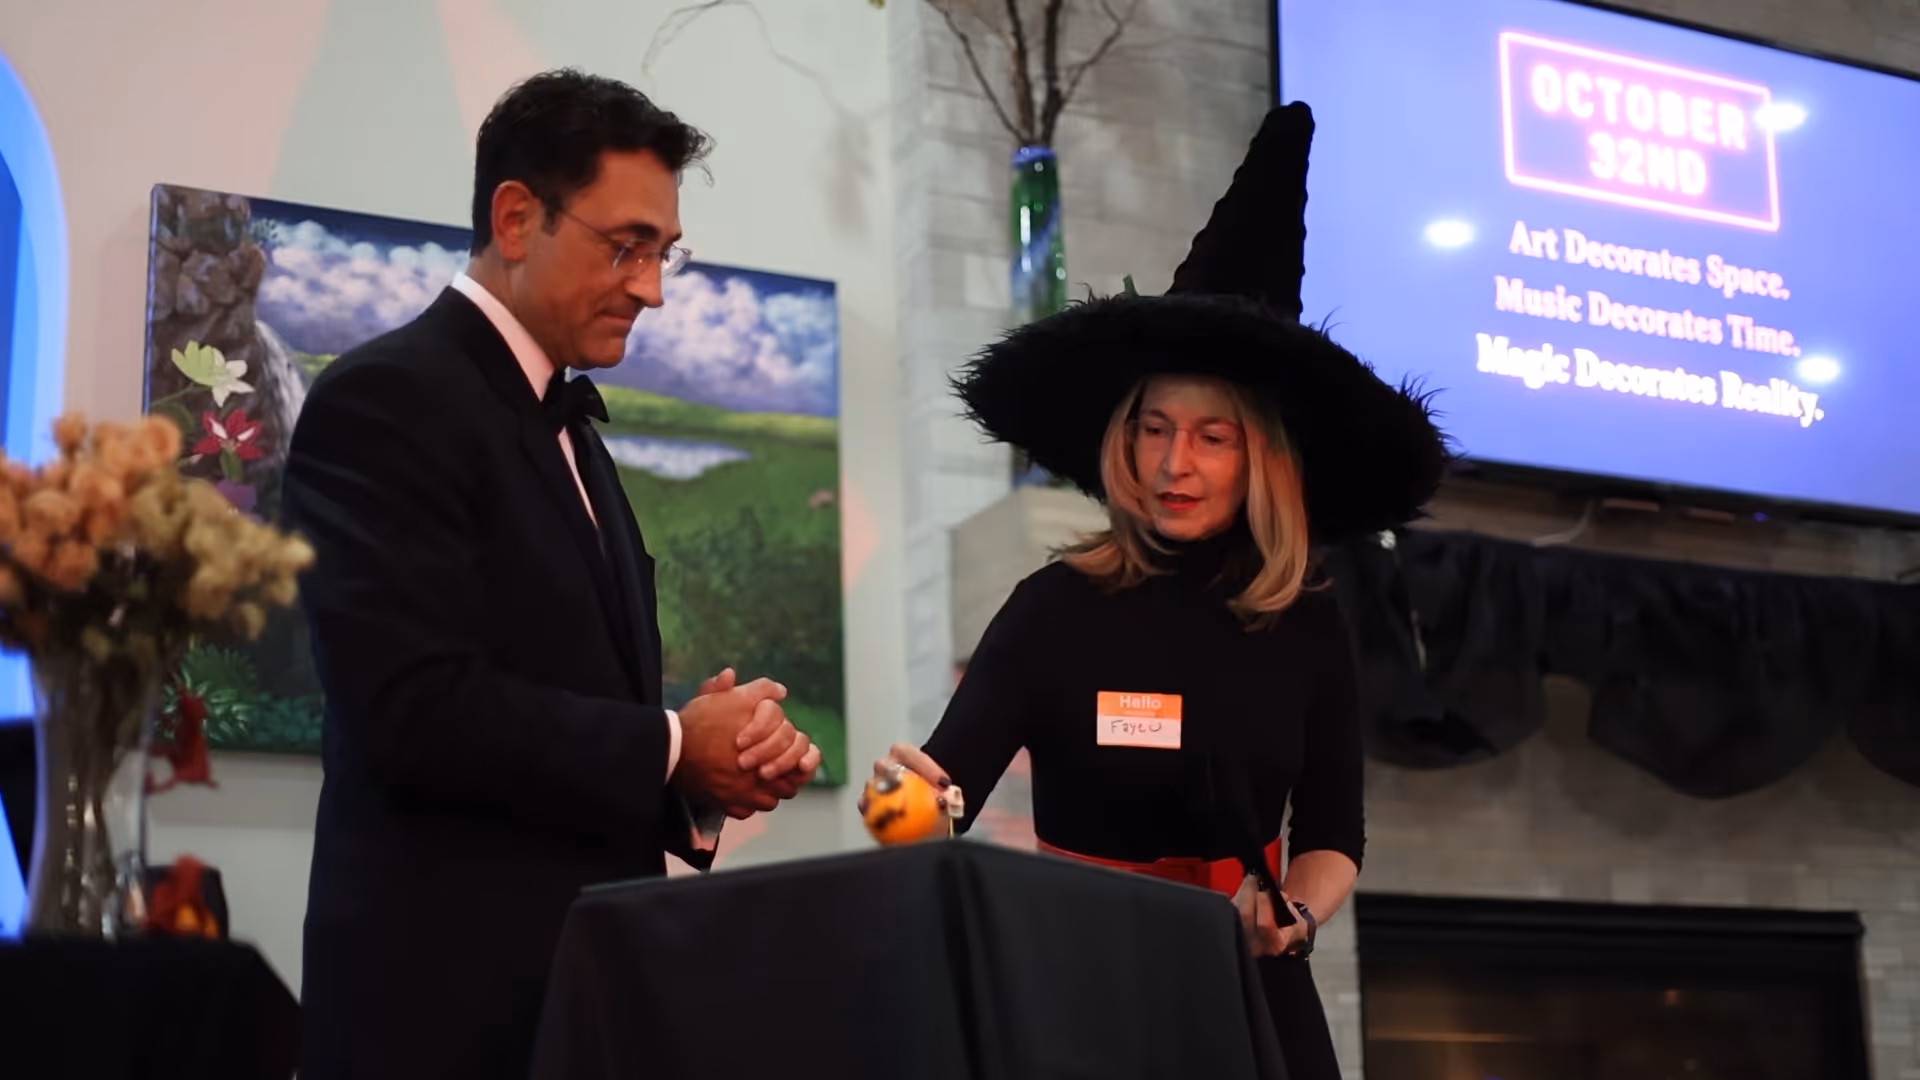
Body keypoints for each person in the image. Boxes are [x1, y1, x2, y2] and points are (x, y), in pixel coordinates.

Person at [868, 102, 1447, 1080]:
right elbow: (933, 803)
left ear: (1258, 453)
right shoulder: (1052, 606)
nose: (1177, 462)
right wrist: (898, 805)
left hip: (1253, 986)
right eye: (1153, 428)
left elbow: (1333, 833)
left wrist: (1294, 915)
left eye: (1211, 436)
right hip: (1081, 989)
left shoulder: (1309, 619)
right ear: (1123, 440)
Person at [283, 69, 821, 1080]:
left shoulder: (580, 438)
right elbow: (412, 710)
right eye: (626, 247)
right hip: (440, 1017)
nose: (653, 288)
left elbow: (564, 713)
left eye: (665, 254)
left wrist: (705, 771)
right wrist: (669, 741)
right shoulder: (387, 398)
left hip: (581, 1009)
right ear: (518, 217)